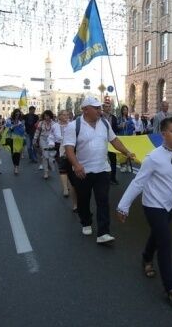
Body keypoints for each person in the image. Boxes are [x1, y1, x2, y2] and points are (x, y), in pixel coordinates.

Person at [117, 116, 172, 308]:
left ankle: (146, 257)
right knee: (165, 242)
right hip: (153, 205)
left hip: (170, 204)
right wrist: (123, 206)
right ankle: (170, 288)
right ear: (163, 134)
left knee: (157, 236)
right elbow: (138, 182)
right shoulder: (153, 157)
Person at [64, 96, 135, 244]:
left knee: (103, 200)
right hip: (82, 171)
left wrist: (126, 152)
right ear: (85, 110)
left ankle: (104, 232)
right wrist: (76, 165)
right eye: (96, 108)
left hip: (103, 169)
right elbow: (69, 148)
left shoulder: (104, 123)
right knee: (83, 200)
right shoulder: (73, 126)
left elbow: (114, 140)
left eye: (99, 108)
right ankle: (86, 221)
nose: (99, 110)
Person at [55, 110, 77, 210]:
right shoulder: (55, 126)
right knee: (63, 170)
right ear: (59, 116)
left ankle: (76, 203)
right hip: (63, 150)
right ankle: (65, 187)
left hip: (73, 151)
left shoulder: (72, 125)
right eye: (64, 114)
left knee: (73, 177)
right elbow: (54, 137)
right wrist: (51, 142)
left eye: (67, 114)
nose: (66, 116)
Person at [34, 110, 60, 179]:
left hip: (51, 141)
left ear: (50, 116)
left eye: (48, 116)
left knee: (51, 155)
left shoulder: (54, 123)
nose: (46, 117)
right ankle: (46, 172)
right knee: (45, 155)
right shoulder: (41, 123)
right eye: (45, 116)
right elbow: (37, 132)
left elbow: (57, 133)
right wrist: (35, 139)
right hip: (43, 139)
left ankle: (49, 166)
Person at [2, 109, 26, 175]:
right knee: (13, 153)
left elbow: (24, 129)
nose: (17, 115)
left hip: (19, 139)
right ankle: (15, 166)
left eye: (19, 114)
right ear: (14, 114)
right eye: (16, 114)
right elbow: (6, 128)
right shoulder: (9, 120)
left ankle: (16, 167)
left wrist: (23, 134)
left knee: (17, 153)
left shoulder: (21, 121)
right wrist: (14, 126)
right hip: (11, 138)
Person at [102, 101, 120, 185]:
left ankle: (113, 177)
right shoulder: (99, 117)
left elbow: (116, 129)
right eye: (106, 106)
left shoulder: (114, 117)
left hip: (112, 141)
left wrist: (120, 126)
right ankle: (103, 179)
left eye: (109, 106)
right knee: (103, 159)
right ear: (103, 108)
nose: (108, 108)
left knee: (113, 160)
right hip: (102, 141)